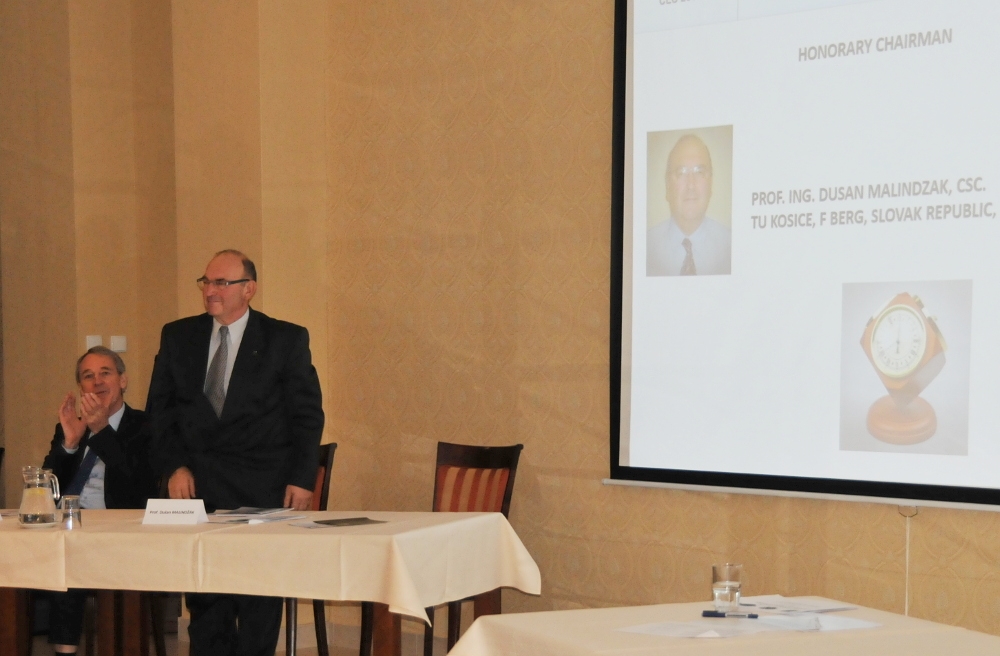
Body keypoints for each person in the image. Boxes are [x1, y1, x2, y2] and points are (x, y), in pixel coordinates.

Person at [147, 249, 324, 656]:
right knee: (207, 603)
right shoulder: (178, 336)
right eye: (206, 282)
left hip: (262, 488)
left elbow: (306, 415)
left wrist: (302, 478)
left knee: (258, 599)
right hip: (199, 489)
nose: (210, 291)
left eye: (221, 283)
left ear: (249, 289)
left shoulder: (285, 339)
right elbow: (160, 411)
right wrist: (174, 466)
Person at [42, 346, 157, 654]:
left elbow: (139, 488)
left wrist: (102, 431)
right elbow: (46, 490)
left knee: (71, 551)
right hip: (71, 526)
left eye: (105, 373)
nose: (97, 382)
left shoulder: (146, 426)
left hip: (122, 532)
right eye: (88, 376)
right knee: (52, 551)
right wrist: (69, 443)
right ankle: (64, 650)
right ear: (81, 387)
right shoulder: (71, 425)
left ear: (123, 381)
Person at [647, 134, 731, 276]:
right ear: (667, 185)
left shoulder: (730, 246)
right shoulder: (646, 247)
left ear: (710, 184)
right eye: (681, 173)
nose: (691, 185)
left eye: (699, 172)